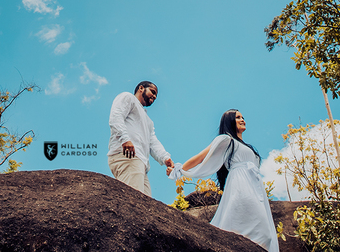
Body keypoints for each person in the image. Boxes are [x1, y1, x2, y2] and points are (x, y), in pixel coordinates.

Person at [169, 109, 279, 252]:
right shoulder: (227, 139)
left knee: (265, 233)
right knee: (257, 230)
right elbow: (201, 157)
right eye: (238, 117)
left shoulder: (247, 146)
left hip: (255, 187)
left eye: (243, 117)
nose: (242, 120)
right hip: (241, 185)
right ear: (229, 121)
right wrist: (179, 169)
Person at [107, 81, 174, 196]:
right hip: (127, 155)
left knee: (145, 202)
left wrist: (165, 158)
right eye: (152, 92)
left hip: (141, 163)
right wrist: (125, 139)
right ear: (141, 88)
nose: (154, 96)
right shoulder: (128, 97)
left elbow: (152, 142)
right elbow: (116, 116)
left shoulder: (148, 121)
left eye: (156, 95)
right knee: (131, 198)